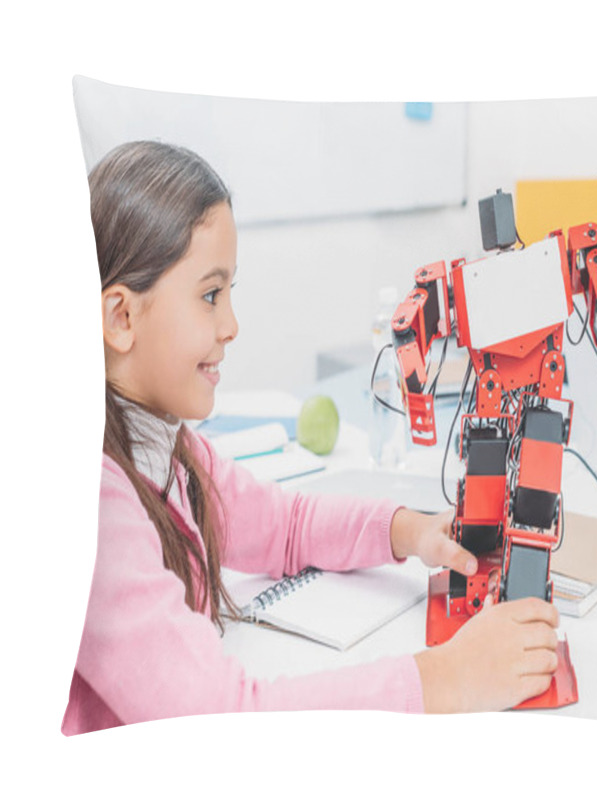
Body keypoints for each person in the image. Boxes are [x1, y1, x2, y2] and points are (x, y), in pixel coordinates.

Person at [62, 141, 560, 734]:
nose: (231, 325)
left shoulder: (167, 448)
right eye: (209, 295)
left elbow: (283, 525)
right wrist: (447, 678)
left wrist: (410, 530)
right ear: (120, 318)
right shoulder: (93, 509)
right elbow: (218, 723)